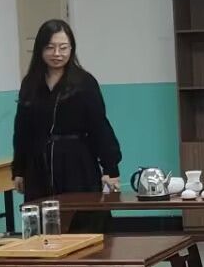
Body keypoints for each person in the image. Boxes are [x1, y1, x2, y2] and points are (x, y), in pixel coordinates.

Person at [13, 20, 123, 234]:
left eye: (63, 48)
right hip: (39, 166)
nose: (57, 54)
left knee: (83, 224)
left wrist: (111, 168)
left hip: (77, 164)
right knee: (41, 228)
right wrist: (19, 169)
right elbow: (22, 130)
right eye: (50, 47)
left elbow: (99, 126)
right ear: (40, 49)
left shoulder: (84, 82)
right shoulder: (30, 83)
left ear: (71, 49)